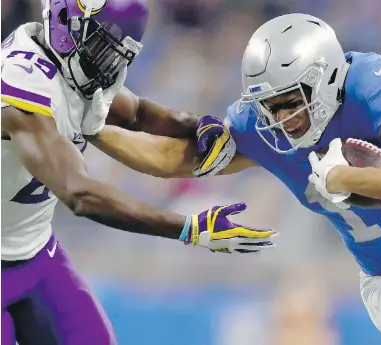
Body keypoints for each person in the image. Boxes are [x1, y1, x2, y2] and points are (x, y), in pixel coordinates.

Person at [87, 14, 381, 345]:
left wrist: (347, 178)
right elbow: (168, 159)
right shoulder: (260, 129)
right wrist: (93, 128)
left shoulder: (372, 88)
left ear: (326, 79)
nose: (283, 118)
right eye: (270, 105)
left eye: (292, 102)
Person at [0, 1, 277, 344]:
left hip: (36, 252)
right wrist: (189, 227)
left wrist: (199, 124)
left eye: (118, 55)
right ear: (63, 23)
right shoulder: (21, 86)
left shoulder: (70, 63)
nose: (107, 66)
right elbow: (79, 193)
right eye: (102, 48)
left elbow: (137, 112)